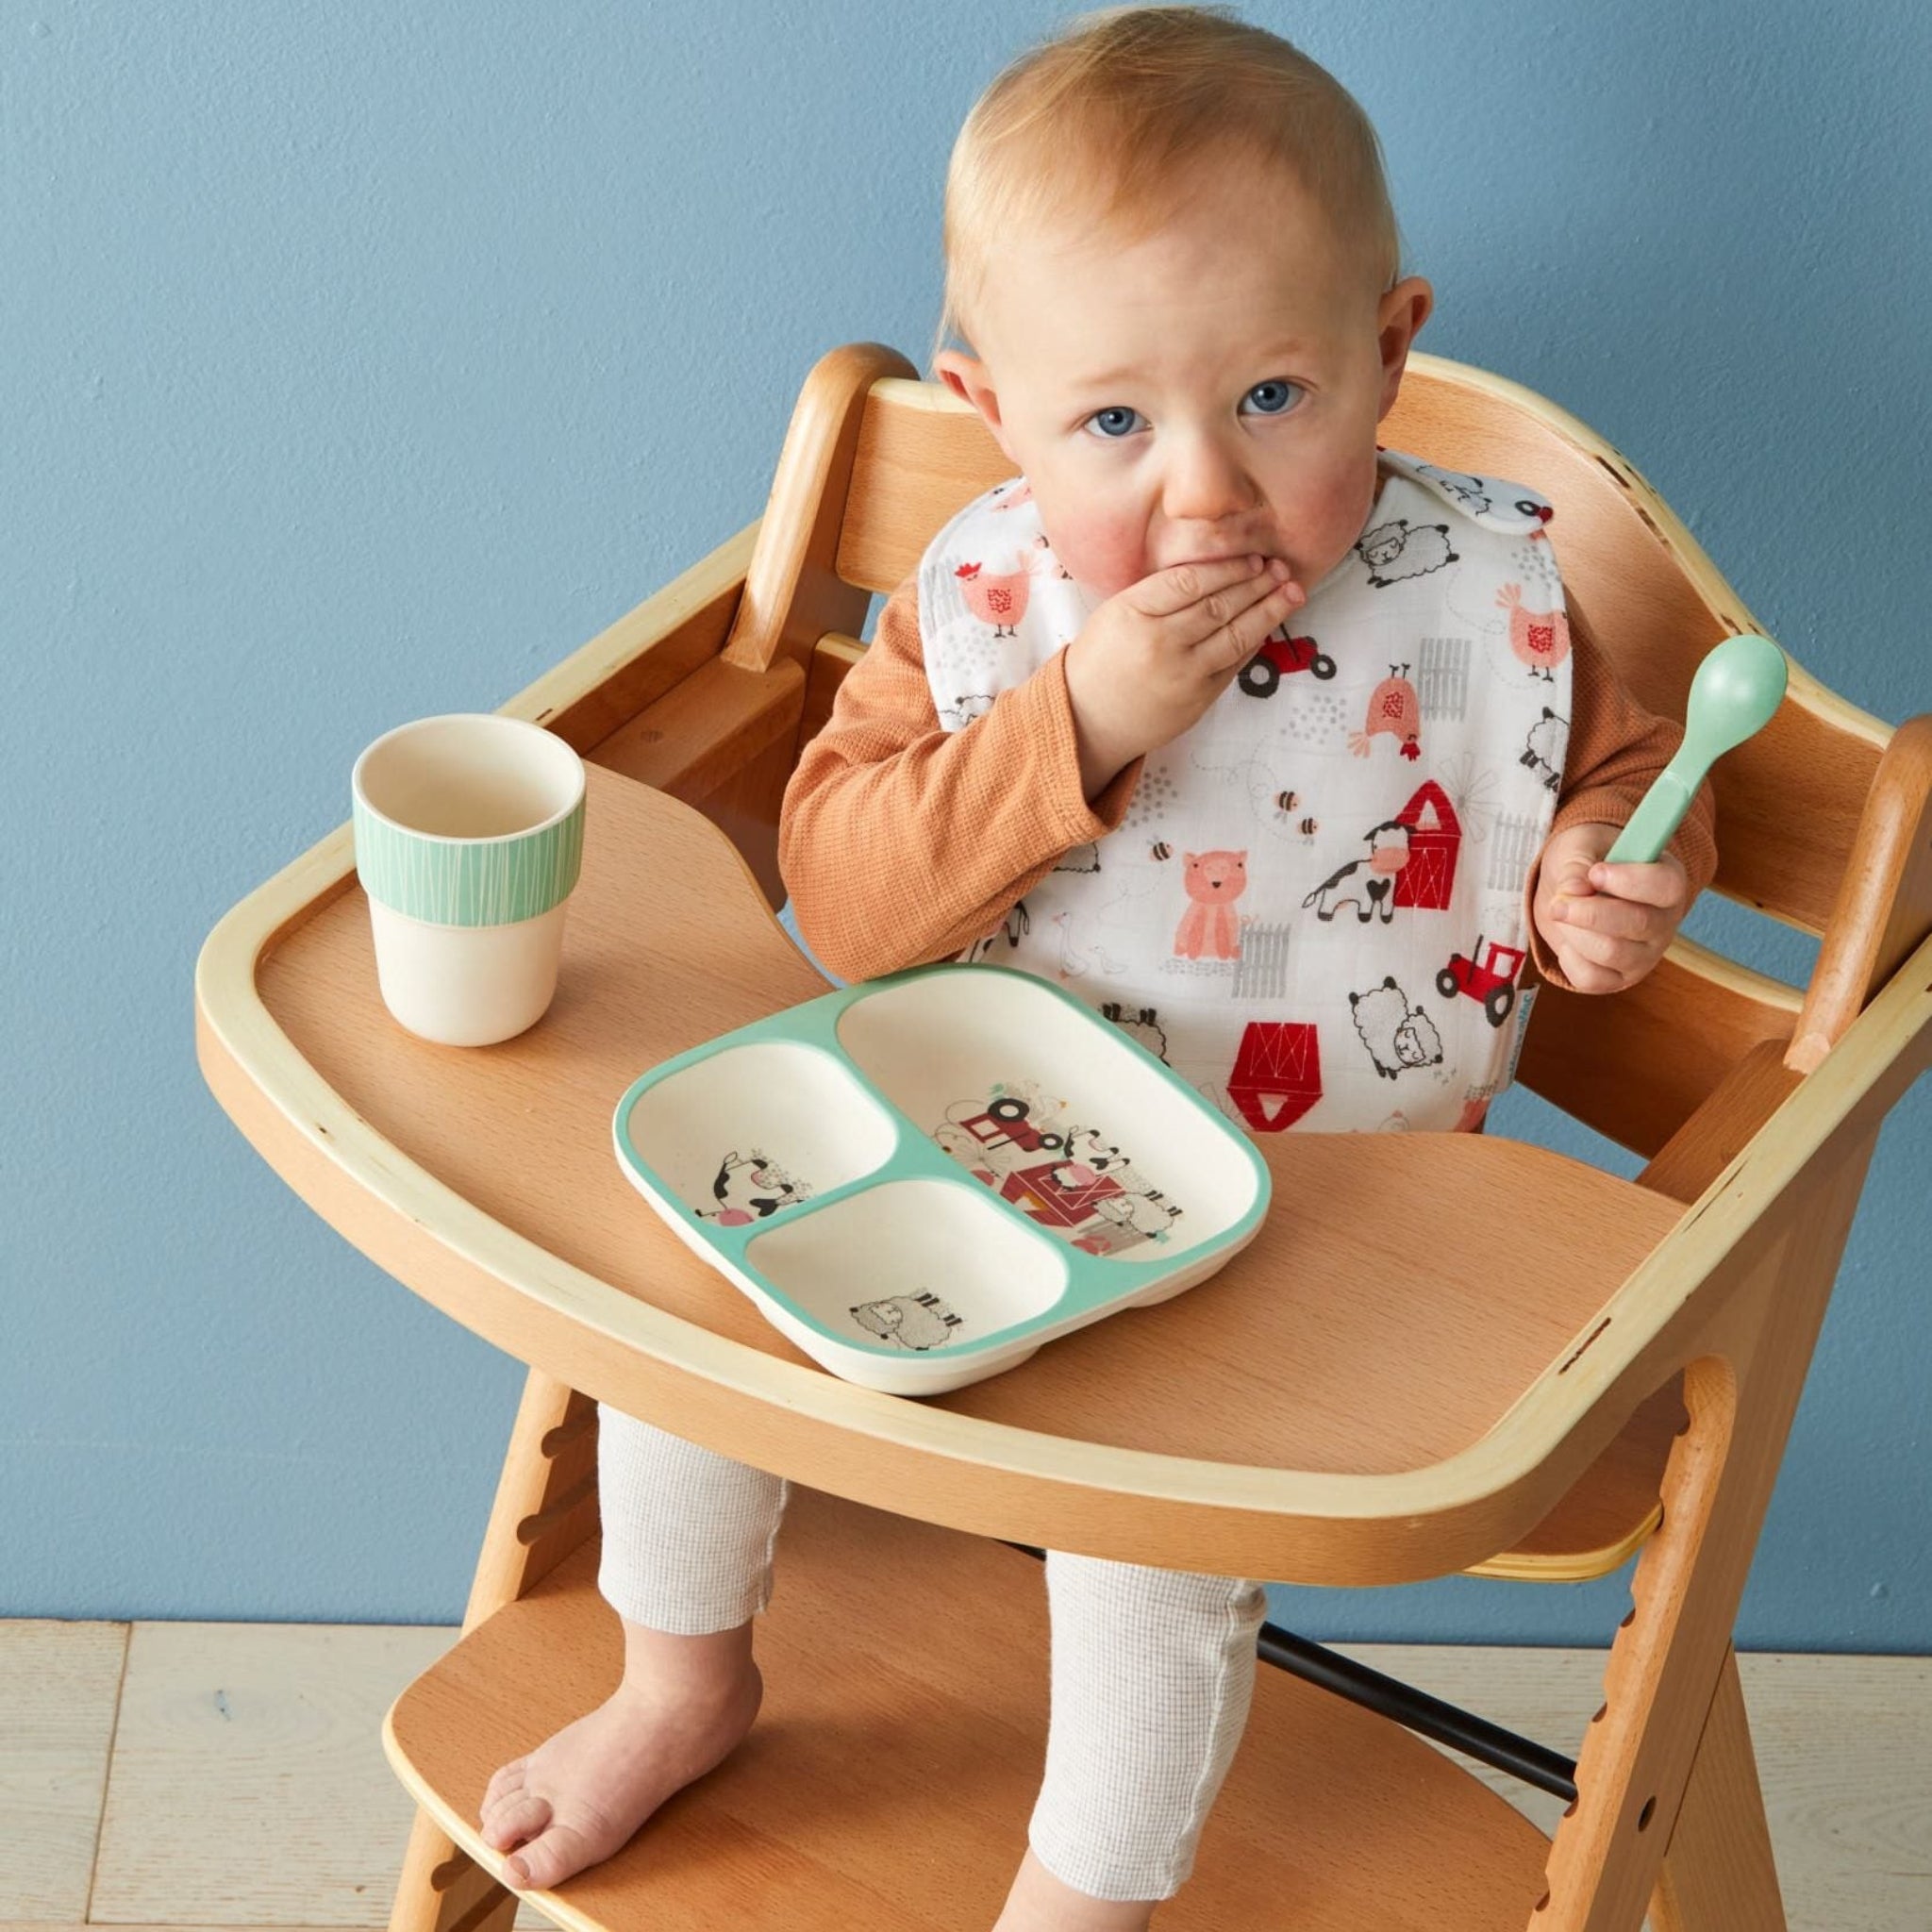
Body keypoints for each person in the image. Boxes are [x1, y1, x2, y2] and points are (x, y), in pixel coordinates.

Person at [479, 8, 1716, 1924]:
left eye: (1275, 396)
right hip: (969, 1139)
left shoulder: (1494, 598)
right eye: (1116, 423)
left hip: (1314, 1220)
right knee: (685, 1316)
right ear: (997, 413)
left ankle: (1088, 1893)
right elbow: (843, 893)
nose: (1204, 489)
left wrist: (1604, 871)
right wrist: (1077, 718)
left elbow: (1630, 772)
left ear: (1389, 352)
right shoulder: (982, 601)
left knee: (1146, 1545)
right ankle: (683, 1678)